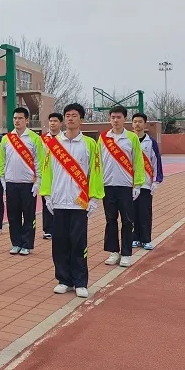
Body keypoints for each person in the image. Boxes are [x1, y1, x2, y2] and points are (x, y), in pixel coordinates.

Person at [40, 103, 104, 298]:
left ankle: (80, 281)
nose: (70, 118)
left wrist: (94, 197)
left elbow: (96, 172)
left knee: (78, 243)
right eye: (67, 115)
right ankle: (63, 279)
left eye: (74, 115)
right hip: (58, 201)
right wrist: (47, 195)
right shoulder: (52, 145)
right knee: (59, 243)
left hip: (79, 202)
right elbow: (46, 171)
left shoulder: (90, 144)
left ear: (81, 119)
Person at [99, 105, 145, 268]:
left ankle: (126, 253)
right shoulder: (103, 138)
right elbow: (98, 163)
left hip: (126, 186)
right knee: (110, 220)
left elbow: (138, 162)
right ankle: (114, 251)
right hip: (107, 186)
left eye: (118, 117)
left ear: (124, 119)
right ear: (109, 119)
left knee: (127, 221)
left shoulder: (131, 138)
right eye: (113, 117)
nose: (115, 120)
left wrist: (138, 184)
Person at [0, 106, 44, 256]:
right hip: (11, 183)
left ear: (27, 120)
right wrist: (3, 180)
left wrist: (38, 182)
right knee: (13, 215)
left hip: (28, 184)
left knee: (29, 215)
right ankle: (16, 243)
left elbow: (39, 161)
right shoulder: (6, 138)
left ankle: (27, 244)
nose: (17, 121)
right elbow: (2, 161)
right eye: (15, 118)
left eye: (20, 118)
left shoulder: (34, 138)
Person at [131, 113, 163, 251]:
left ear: (144, 124)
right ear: (132, 124)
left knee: (145, 212)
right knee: (131, 213)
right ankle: (134, 238)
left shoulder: (151, 142)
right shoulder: (127, 140)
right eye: (135, 122)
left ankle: (145, 239)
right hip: (130, 184)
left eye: (140, 122)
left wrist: (156, 180)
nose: (137, 124)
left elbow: (157, 162)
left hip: (145, 184)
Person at [41, 113, 64, 240]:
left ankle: (59, 227)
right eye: (50, 121)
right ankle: (48, 229)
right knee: (46, 201)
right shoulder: (42, 139)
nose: (52, 123)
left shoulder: (64, 138)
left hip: (60, 174)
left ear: (61, 123)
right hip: (46, 175)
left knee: (59, 201)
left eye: (55, 121)